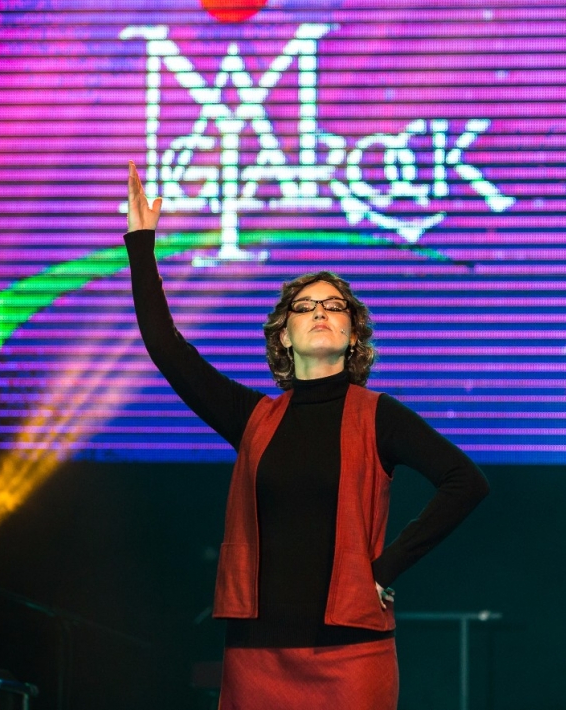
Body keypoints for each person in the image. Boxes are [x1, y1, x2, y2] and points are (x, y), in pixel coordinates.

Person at [123, 161, 490, 710]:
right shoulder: (254, 417)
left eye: (335, 306)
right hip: (257, 655)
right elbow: (167, 350)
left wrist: (385, 569)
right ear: (284, 336)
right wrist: (141, 243)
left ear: (353, 335)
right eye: (306, 306)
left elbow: (466, 481)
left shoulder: (378, 415)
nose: (321, 312)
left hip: (351, 655)